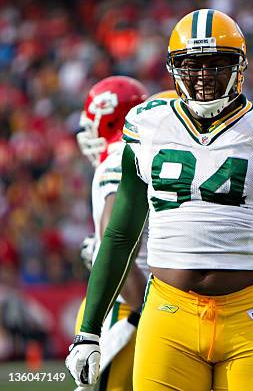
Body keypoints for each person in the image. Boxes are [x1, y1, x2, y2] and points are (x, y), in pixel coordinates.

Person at [66, 9, 253, 391]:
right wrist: (88, 331)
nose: (203, 76)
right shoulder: (147, 125)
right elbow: (119, 236)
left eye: (216, 64)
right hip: (168, 312)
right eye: (192, 65)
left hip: (250, 314)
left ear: (240, 66)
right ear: (174, 68)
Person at [74, 76, 150, 390]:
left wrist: (147, 312)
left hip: (123, 305)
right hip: (131, 297)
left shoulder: (120, 157)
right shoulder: (137, 153)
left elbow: (115, 242)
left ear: (110, 119)